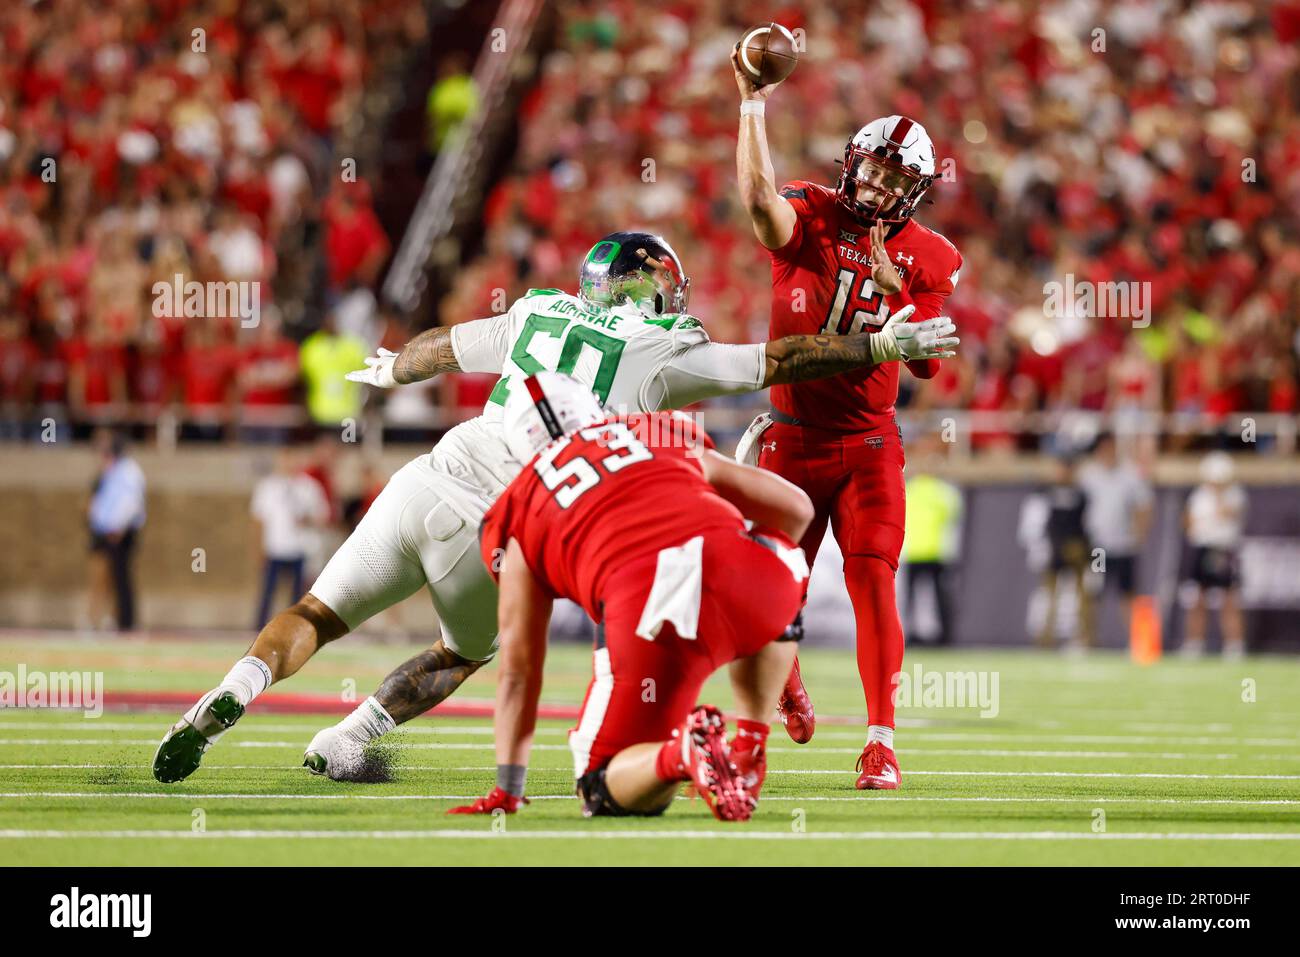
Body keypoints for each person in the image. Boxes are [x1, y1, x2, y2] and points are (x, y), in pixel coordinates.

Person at [151, 231, 955, 784]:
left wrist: (394, 370)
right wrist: (880, 346)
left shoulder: (538, 310)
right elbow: (778, 357)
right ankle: (349, 735)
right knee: (461, 654)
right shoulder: (661, 349)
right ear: (650, 284)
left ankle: (238, 686)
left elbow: (443, 346)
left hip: (431, 477)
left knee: (316, 612)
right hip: (502, 529)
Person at [730, 47, 963, 789]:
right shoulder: (811, 211)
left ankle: (880, 741)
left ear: (917, 191)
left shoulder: (930, 255)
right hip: (791, 437)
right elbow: (760, 202)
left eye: (899, 177)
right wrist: (751, 105)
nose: (882, 182)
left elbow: (928, 362)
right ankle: (787, 676)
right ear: (853, 161)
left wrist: (898, 294)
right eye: (876, 166)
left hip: (868, 443)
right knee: (771, 585)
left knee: (871, 580)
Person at [449, 372, 811, 821]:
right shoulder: (659, 432)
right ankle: (750, 747)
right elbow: (797, 510)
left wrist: (508, 788)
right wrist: (771, 625)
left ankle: (681, 755)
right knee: (780, 553)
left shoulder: (516, 507)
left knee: (600, 787)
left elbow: (519, 671)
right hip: (755, 577)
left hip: (649, 610)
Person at [1077, 432, 1153, 644]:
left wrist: (1140, 533)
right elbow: (1080, 506)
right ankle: (1085, 639)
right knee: (1093, 593)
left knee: (1128, 595)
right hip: (1099, 547)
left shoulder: (1129, 474)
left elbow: (1144, 505)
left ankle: (1137, 642)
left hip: (1124, 546)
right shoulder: (1089, 475)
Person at [250, 450, 330, 629]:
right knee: (268, 594)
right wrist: (258, 549)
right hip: (275, 548)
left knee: (298, 596)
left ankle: (294, 629)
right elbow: (258, 521)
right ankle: (258, 629)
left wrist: (307, 520)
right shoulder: (268, 486)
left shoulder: (309, 487)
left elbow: (323, 517)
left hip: (299, 549)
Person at [1182, 452, 1247, 658]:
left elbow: (1227, 513)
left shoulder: (1235, 494)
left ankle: (1234, 645)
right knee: (1197, 599)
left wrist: (1218, 495)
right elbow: (1189, 524)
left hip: (1223, 549)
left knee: (1229, 599)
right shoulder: (1198, 495)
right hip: (1202, 548)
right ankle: (1194, 643)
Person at [901, 437, 963, 646]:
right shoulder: (945, 492)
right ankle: (943, 637)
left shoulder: (910, 489)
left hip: (925, 552)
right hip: (929, 552)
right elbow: (954, 520)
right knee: (933, 599)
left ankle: (917, 636)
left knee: (921, 599)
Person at [86, 429, 147, 631]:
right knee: (105, 575)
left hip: (119, 532)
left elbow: (131, 502)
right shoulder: (111, 469)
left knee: (120, 577)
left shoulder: (128, 470)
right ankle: (105, 619)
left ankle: (125, 622)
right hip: (106, 531)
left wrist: (118, 527)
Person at [1037, 456, 1094, 650]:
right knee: (1050, 594)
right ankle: (1046, 636)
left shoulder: (1081, 493)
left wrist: (1084, 547)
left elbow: (1089, 523)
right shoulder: (1047, 492)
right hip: (1055, 547)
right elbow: (1042, 521)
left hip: (1076, 547)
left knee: (1082, 594)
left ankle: (1085, 637)